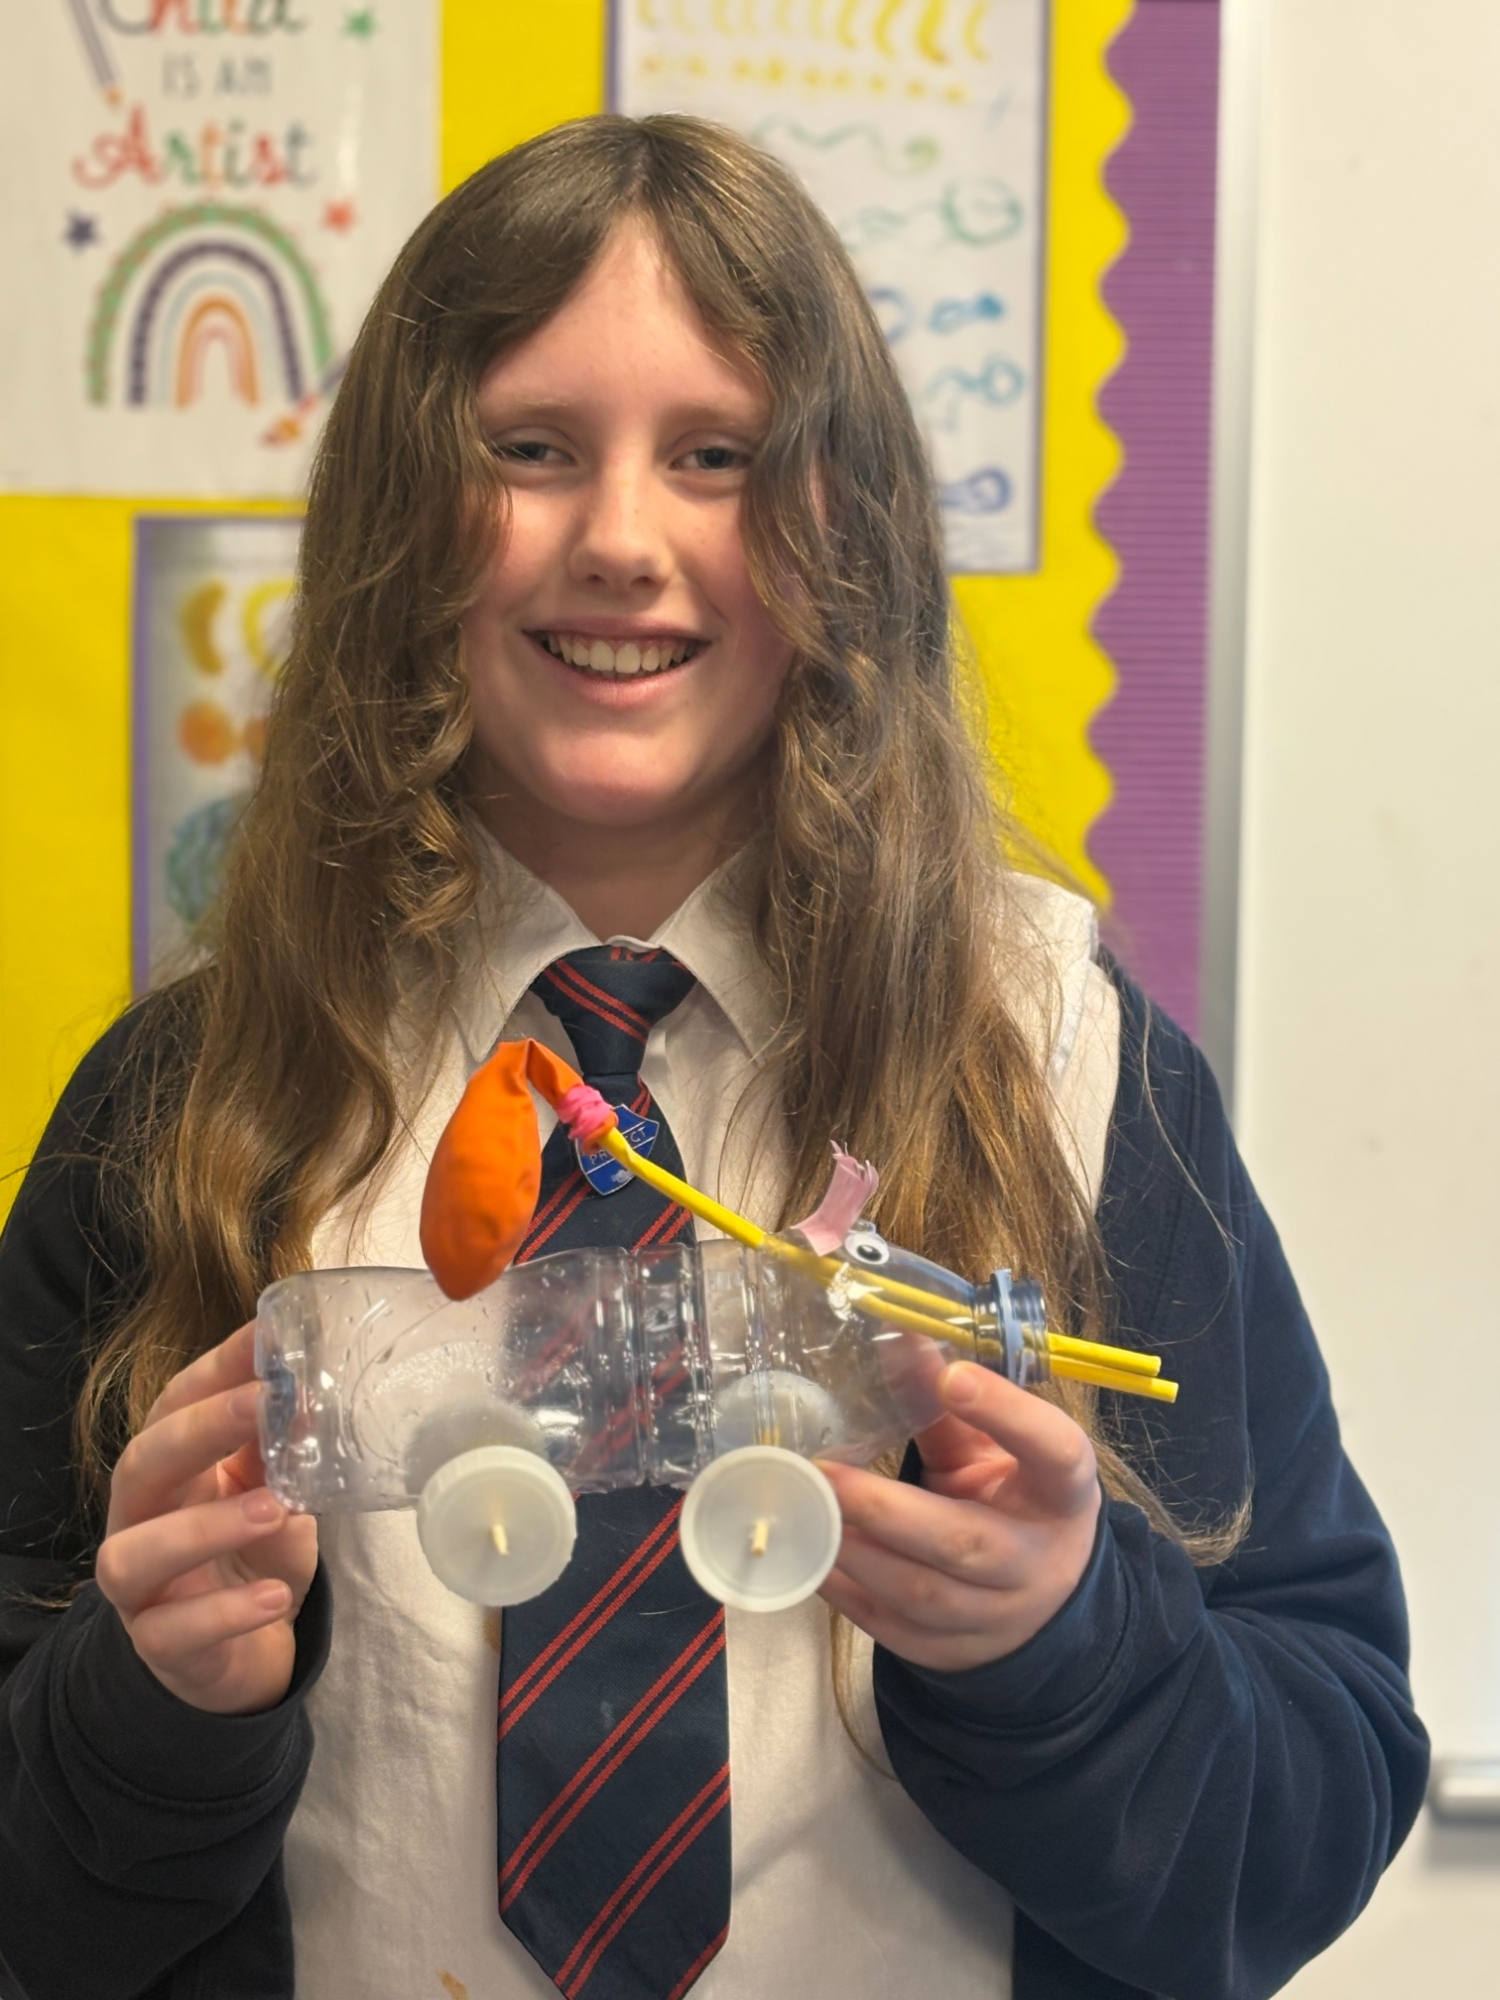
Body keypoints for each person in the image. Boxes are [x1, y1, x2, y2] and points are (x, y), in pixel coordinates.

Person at [0, 115, 1425, 2000]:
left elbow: (1308, 1818)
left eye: (719, 455)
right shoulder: (194, 1105)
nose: (620, 540)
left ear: (847, 525)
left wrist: (1062, 1654)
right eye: (527, 450)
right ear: (397, 521)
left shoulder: (1069, 1072)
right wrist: (149, 1716)